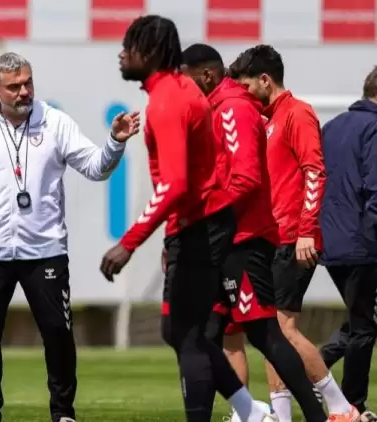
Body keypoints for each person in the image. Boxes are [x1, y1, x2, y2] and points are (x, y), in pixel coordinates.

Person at [0, 52, 138, 422]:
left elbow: (95, 168)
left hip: (44, 249)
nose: (24, 92)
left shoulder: (55, 122)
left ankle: (63, 412)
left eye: (28, 83)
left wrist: (114, 141)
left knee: (57, 332)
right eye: (14, 87)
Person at [99, 17, 275, 422]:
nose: (122, 53)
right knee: (180, 331)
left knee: (188, 335)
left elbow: (175, 183)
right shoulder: (176, 92)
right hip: (201, 223)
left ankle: (251, 412)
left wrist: (129, 242)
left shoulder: (168, 100)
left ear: (151, 52)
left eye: (130, 45)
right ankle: (251, 411)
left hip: (202, 225)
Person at [177, 43, 328, 422]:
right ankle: (251, 412)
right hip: (227, 240)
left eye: (186, 81)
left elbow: (247, 178)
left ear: (206, 76)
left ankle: (321, 410)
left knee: (270, 333)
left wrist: (306, 228)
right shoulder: (224, 109)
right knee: (210, 335)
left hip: (245, 240)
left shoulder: (237, 108)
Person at [229, 44, 360, 422]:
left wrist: (306, 230)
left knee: (283, 330)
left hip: (293, 237)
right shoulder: (264, 119)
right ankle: (282, 414)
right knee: (270, 331)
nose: (243, 94)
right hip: (272, 238)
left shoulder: (298, 113)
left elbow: (314, 172)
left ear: (265, 80)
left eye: (246, 86)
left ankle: (341, 408)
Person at [319, 60, 377, 422]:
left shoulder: (332, 127)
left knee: (363, 319)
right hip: (363, 243)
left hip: (331, 241)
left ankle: (313, 369)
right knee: (365, 327)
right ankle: (351, 406)